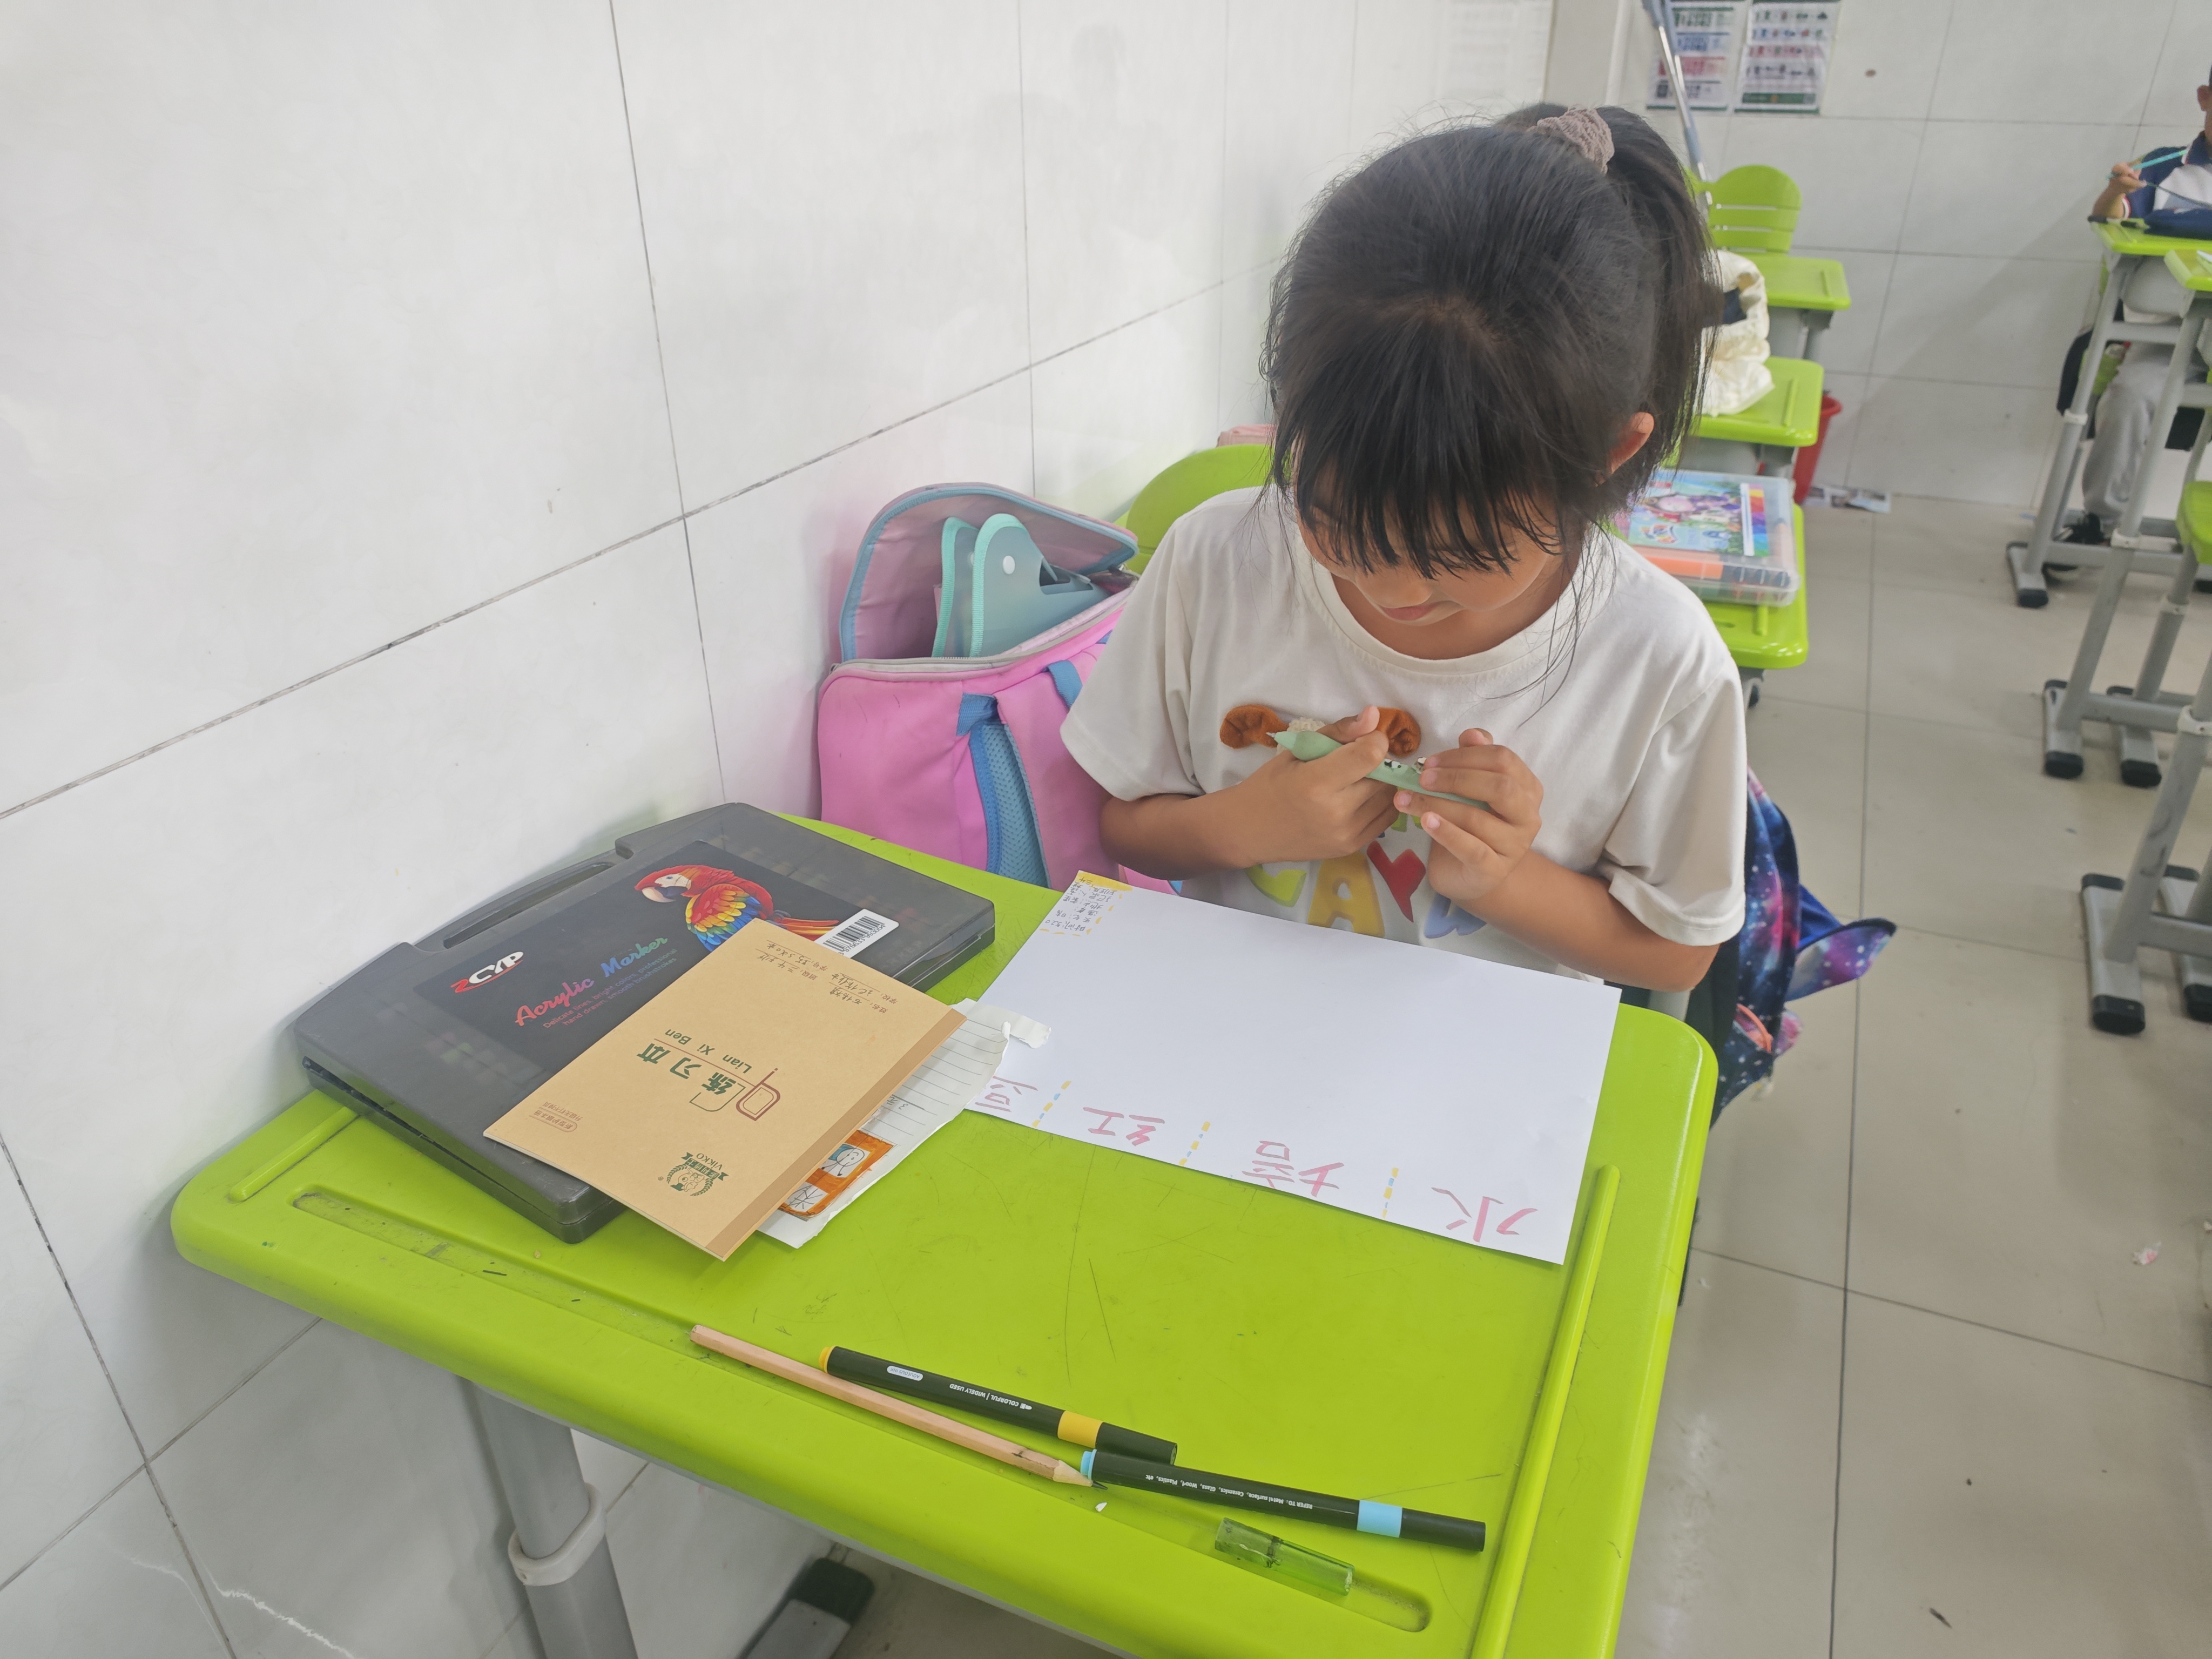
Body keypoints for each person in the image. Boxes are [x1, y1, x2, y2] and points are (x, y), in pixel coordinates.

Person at [1062, 105, 1745, 992]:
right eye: (1339, 521)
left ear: (1606, 455)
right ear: (1290, 409)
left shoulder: (1659, 658)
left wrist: (1502, 880)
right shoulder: (1213, 560)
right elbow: (1123, 821)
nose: (1388, 588)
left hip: (1489, 1060)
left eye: (1458, 553)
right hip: (1233, 1028)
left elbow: (1678, 951)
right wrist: (1246, 824)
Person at [2069, 72, 2212, 546]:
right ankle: (2100, 522)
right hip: (2182, 339)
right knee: (2129, 394)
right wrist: (2116, 191)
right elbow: (2111, 215)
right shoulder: (2166, 166)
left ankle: (2202, 543)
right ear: (2205, 98)